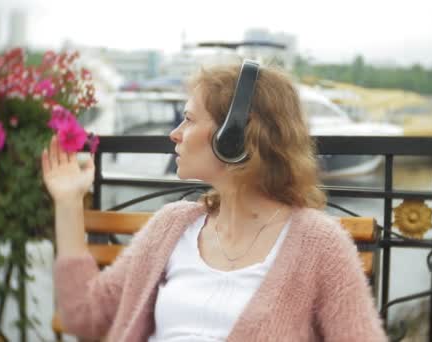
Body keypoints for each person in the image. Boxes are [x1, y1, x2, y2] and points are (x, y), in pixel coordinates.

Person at [42, 61, 387, 341]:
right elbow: (86, 316)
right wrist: (69, 201)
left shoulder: (319, 244)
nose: (174, 133)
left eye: (189, 119)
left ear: (234, 137)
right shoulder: (171, 226)